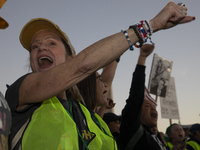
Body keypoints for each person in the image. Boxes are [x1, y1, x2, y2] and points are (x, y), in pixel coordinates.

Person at [5, 1, 194, 150]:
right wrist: (151, 26)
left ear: (70, 57)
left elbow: (103, 75)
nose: (41, 47)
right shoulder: (22, 91)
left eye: (51, 43)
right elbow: (83, 66)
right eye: (34, 47)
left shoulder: (84, 113)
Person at [119, 44, 167, 150]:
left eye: (154, 106)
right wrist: (142, 58)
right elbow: (136, 96)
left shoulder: (154, 137)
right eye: (147, 105)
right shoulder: (133, 130)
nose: (153, 108)